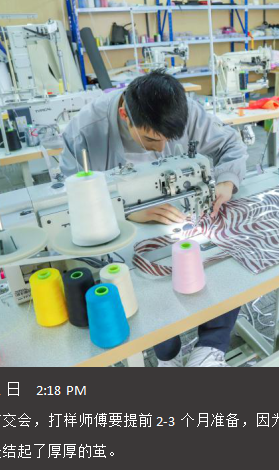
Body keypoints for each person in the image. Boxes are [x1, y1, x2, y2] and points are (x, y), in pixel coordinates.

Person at [60, 71, 248, 367]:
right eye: (150, 138)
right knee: (140, 280)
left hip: (179, 213)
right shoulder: (84, 132)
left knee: (225, 252)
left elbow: (231, 146)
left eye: (169, 140)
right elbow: (68, 201)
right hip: (122, 228)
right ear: (124, 114)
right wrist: (124, 211)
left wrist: (226, 182)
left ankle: (211, 346)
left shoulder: (185, 112)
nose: (161, 149)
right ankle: (167, 354)